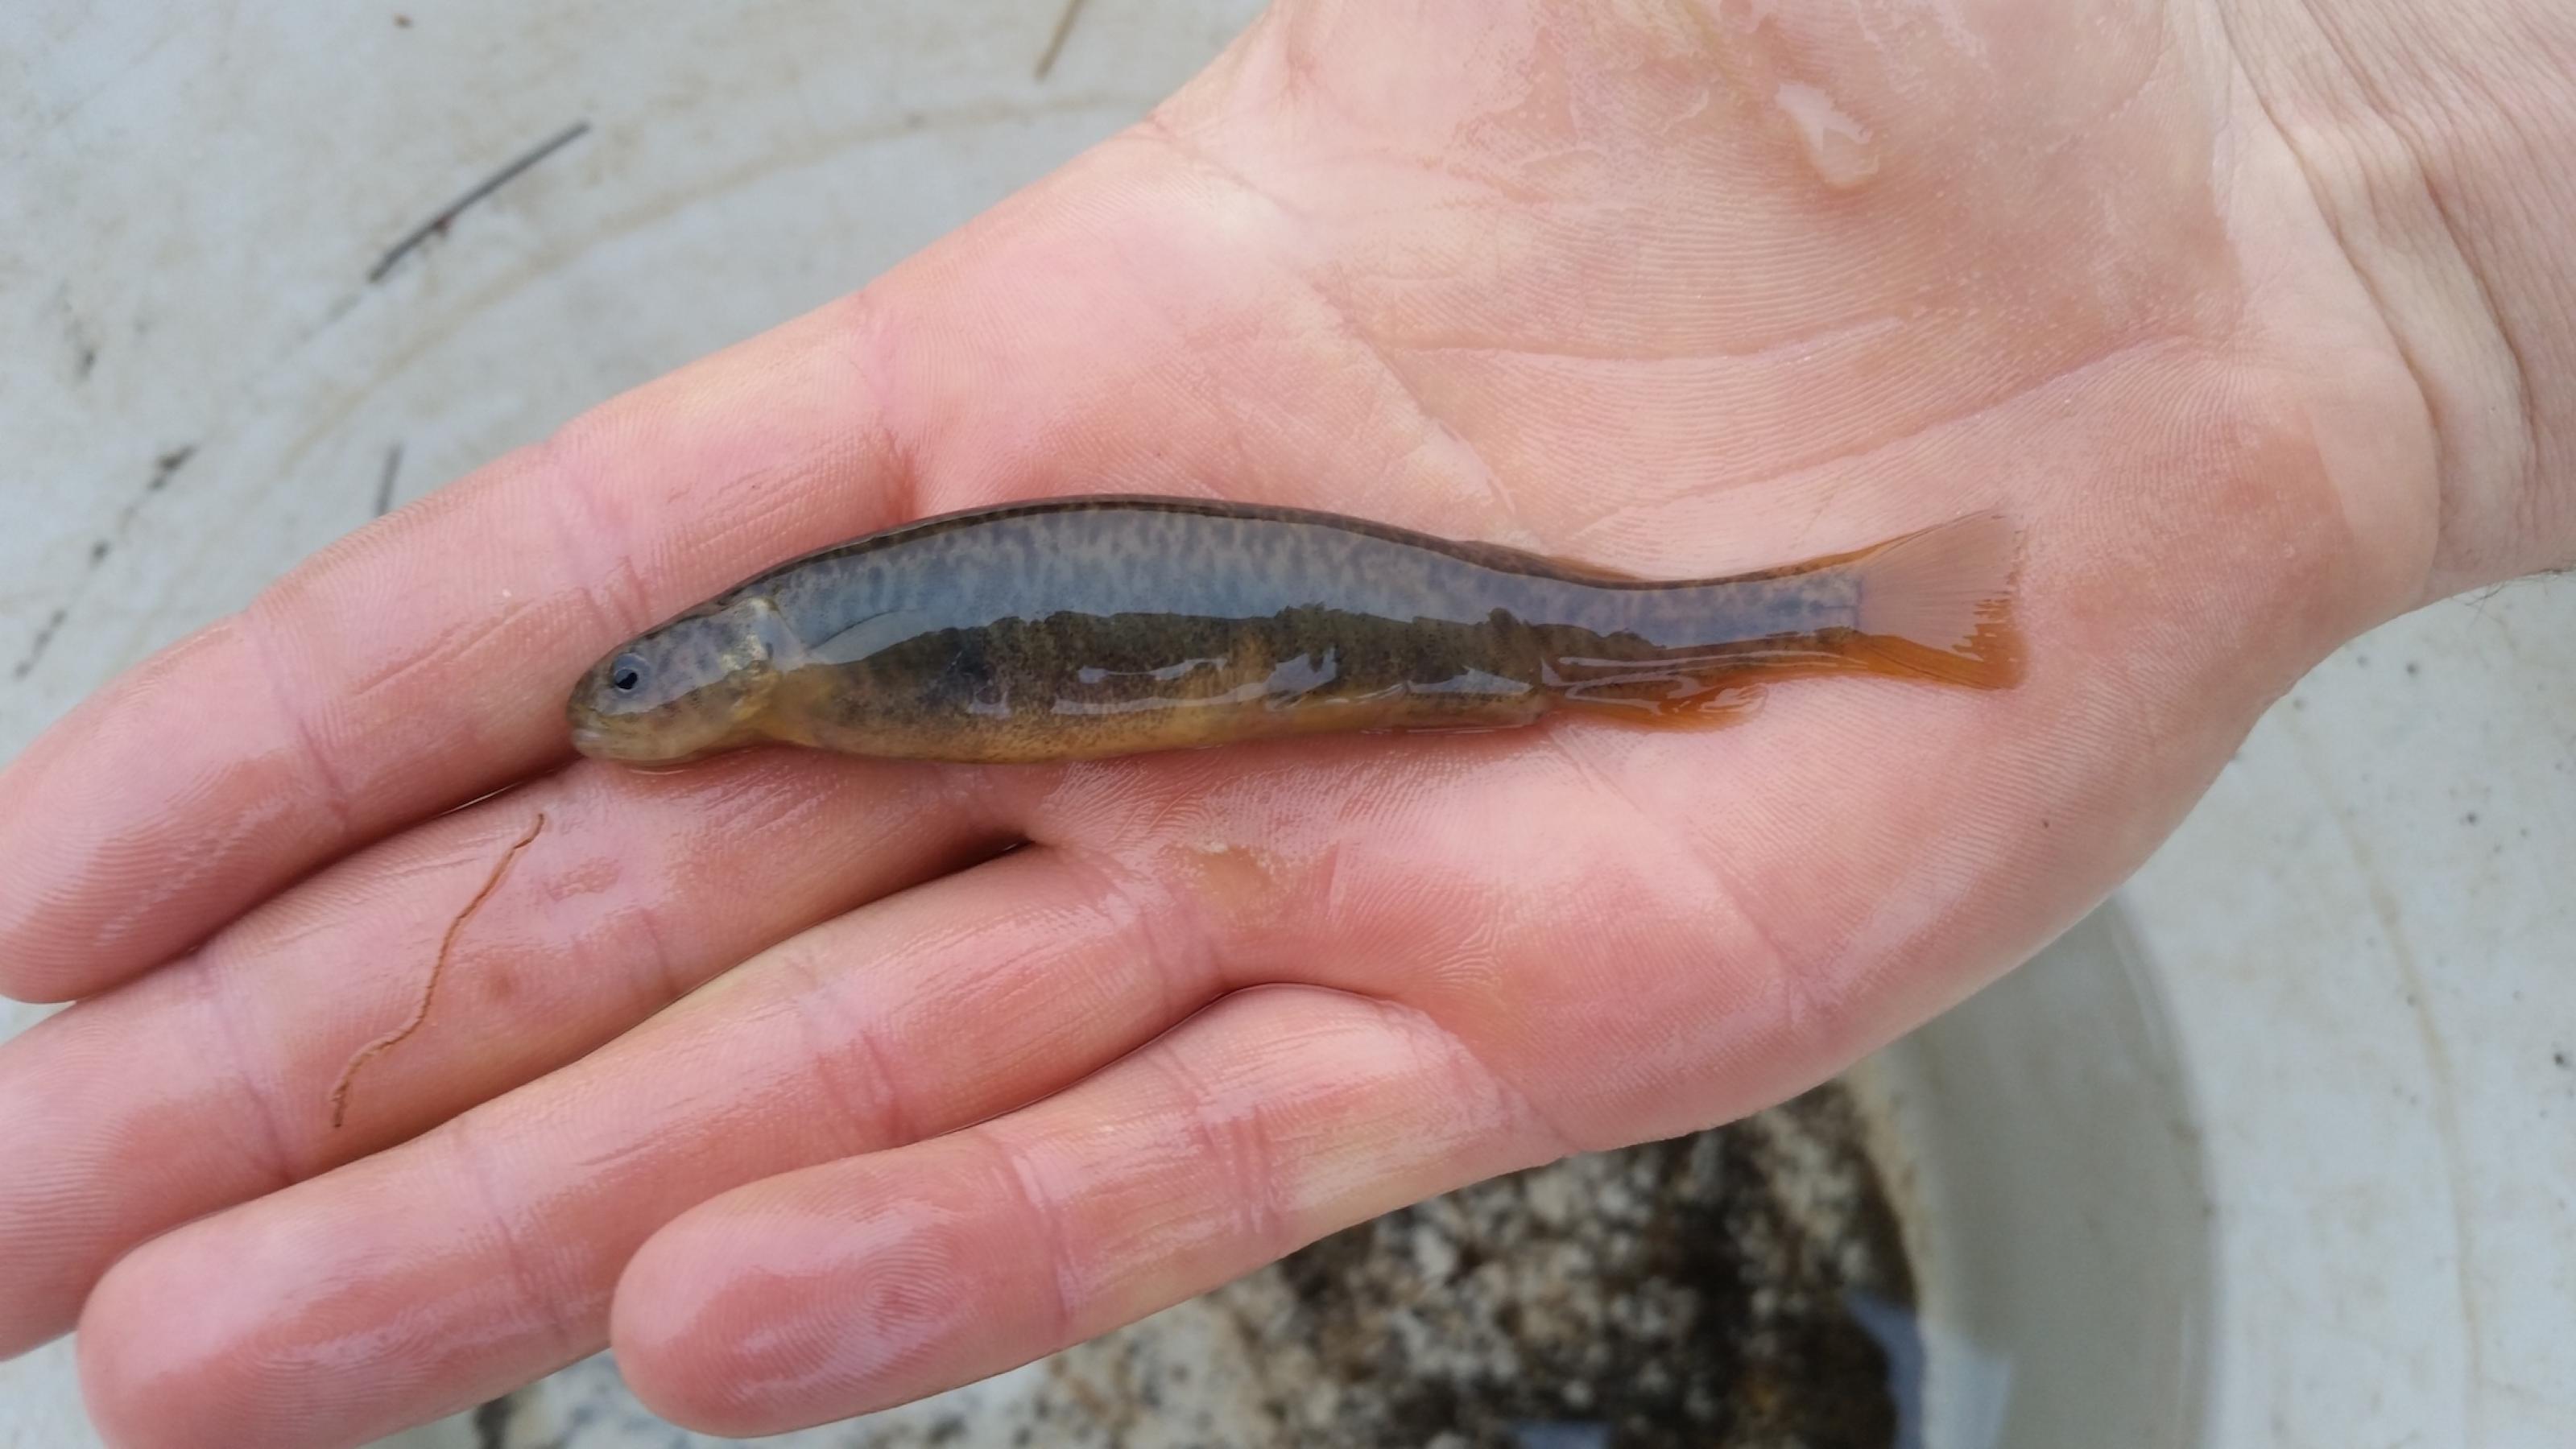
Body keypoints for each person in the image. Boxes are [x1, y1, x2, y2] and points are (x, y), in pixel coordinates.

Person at [1, 2, 2567, 1444]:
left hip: (1424, 603)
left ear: (736, 658)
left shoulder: (835, 656)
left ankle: (1814, 616)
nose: (643, 709)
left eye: (651, 678)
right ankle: (1798, 618)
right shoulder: (823, 675)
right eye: (645, 688)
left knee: (1547, 648)